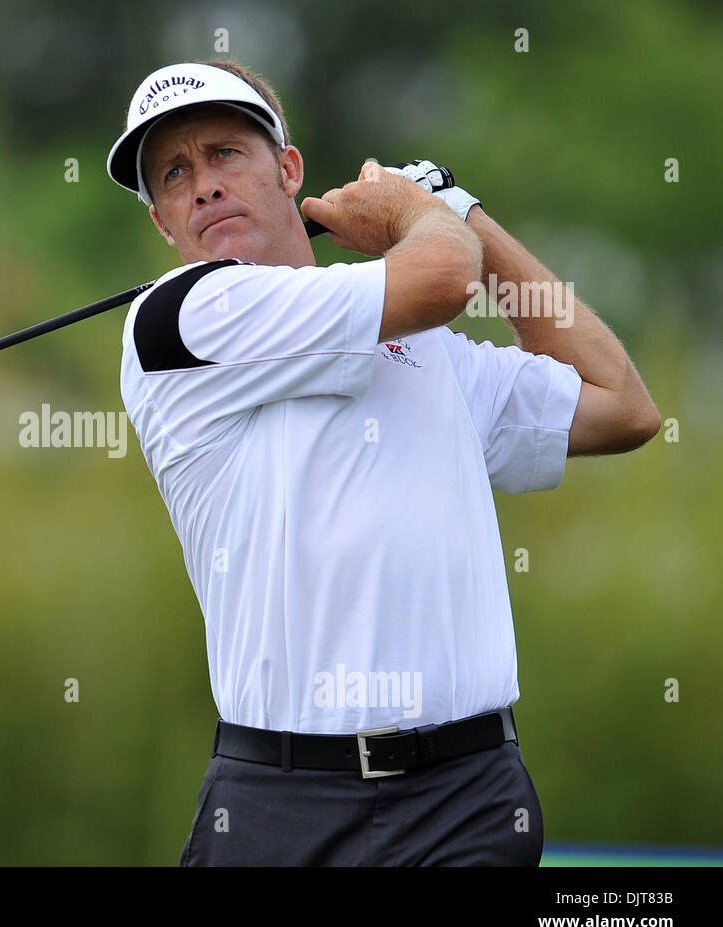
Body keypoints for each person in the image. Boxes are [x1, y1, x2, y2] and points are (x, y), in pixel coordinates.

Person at [105, 59, 661, 866]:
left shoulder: (431, 352)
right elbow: (437, 275)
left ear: (288, 170)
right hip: (276, 807)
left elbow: (623, 406)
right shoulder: (175, 321)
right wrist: (421, 210)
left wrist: (465, 212)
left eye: (226, 153)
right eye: (174, 173)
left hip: (467, 805)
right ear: (162, 221)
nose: (202, 185)